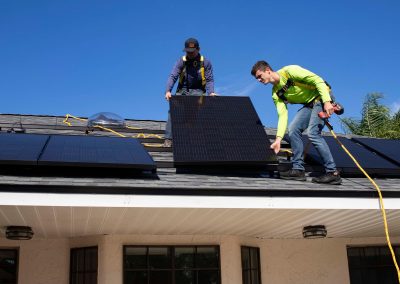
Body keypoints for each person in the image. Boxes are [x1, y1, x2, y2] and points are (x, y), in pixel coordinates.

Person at [251, 61, 342, 185]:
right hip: (309, 105)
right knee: (293, 129)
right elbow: (282, 116)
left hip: (321, 97)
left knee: (312, 133)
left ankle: (333, 172)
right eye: (257, 78)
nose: (259, 80)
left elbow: (318, 80)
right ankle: (298, 170)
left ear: (268, 70)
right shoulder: (276, 93)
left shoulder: (290, 71)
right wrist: (278, 139)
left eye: (259, 76)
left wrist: (326, 101)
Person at [164, 38, 216, 147]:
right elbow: (173, 76)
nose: (190, 54)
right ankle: (168, 139)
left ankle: (194, 139)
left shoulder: (205, 62)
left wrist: (211, 93)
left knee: (195, 111)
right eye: (188, 51)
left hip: (198, 91)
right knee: (173, 110)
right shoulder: (181, 61)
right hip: (183, 90)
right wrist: (168, 90)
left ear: (198, 49)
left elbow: (209, 79)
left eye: (192, 51)